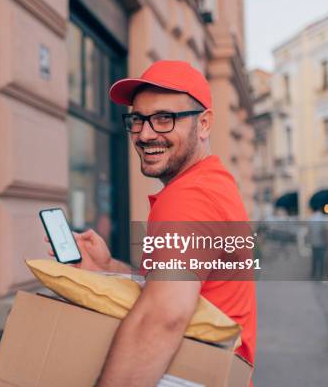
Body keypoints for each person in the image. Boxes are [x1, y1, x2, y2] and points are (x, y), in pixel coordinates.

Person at [49, 61, 256, 386]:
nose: (145, 134)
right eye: (138, 119)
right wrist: (108, 267)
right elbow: (182, 286)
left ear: (203, 124)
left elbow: (163, 317)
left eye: (164, 119)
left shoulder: (190, 197)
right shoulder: (213, 184)